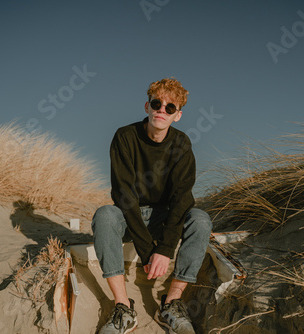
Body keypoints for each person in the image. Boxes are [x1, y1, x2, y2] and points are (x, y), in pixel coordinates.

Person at [91, 77, 212, 334]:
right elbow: (124, 197)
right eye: (157, 103)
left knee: (200, 218)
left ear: (177, 115)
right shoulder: (124, 137)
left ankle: (171, 303)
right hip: (130, 215)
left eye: (170, 107)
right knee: (105, 215)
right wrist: (147, 252)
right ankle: (123, 308)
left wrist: (165, 249)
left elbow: (182, 199)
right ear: (147, 106)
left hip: (165, 217)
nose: (162, 110)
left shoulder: (181, 144)